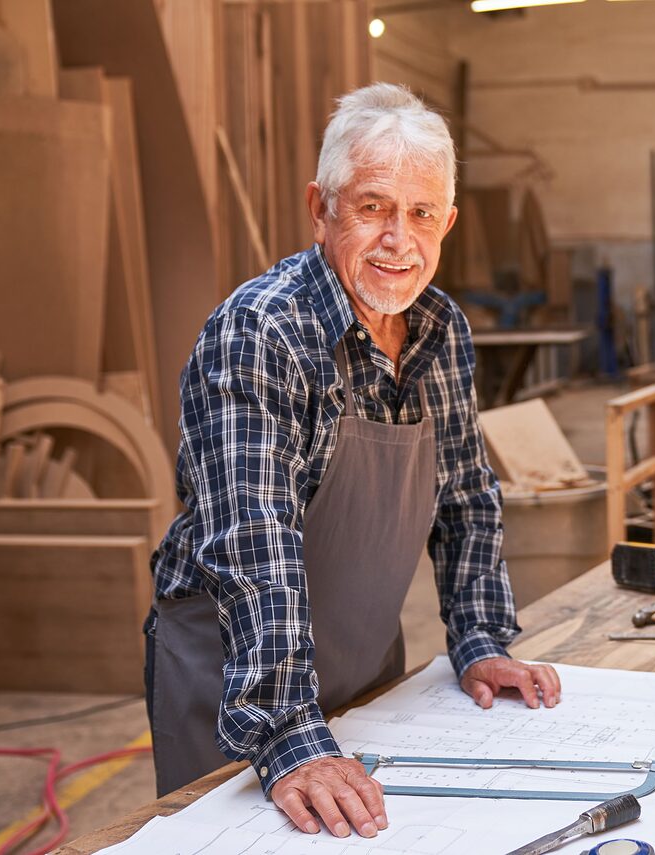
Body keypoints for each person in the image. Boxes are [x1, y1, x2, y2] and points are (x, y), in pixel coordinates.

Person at [146, 82, 561, 840]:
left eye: (421, 213)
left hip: (365, 664)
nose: (399, 239)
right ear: (321, 207)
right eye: (373, 206)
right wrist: (287, 732)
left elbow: (466, 495)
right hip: (238, 683)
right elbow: (251, 539)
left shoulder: (442, 328)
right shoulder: (260, 332)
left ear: (449, 223)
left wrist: (479, 638)